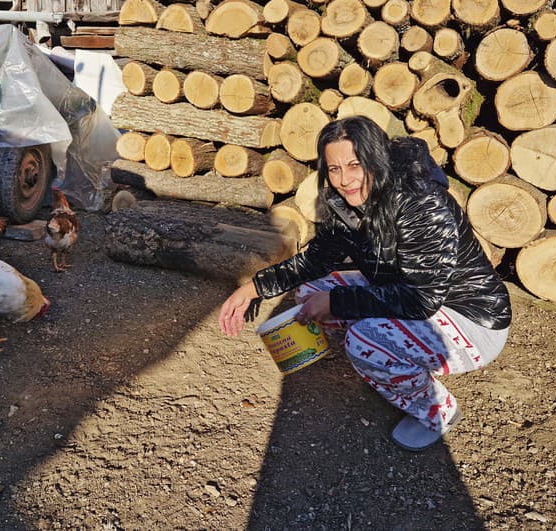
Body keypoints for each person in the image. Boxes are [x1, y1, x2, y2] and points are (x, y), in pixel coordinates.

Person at [218, 116, 511, 450]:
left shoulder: (421, 202)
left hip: (470, 320)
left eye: (354, 165)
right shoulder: (349, 204)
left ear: (375, 158)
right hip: (413, 294)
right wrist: (253, 287)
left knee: (361, 338)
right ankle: (388, 356)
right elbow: (316, 260)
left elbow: (422, 298)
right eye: (334, 169)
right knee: (310, 292)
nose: (344, 180)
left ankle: (437, 410)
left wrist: (337, 304)